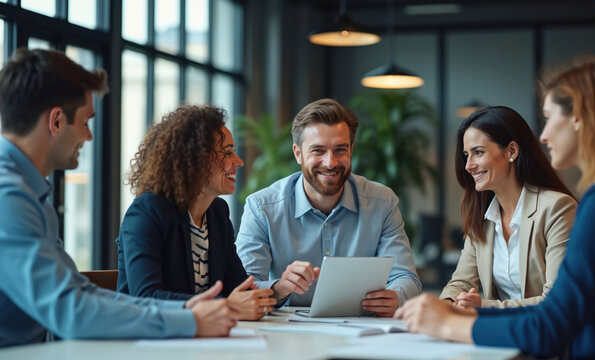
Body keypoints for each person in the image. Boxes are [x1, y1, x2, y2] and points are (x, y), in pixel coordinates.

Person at [0, 48, 239, 348]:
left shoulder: (31, 193)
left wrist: (184, 309)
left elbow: (79, 291)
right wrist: (188, 320)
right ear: (57, 121)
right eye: (86, 122)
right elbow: (69, 310)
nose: (88, 137)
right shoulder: (8, 196)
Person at [395, 57, 595, 359]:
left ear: (579, 117)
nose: (543, 135)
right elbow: (461, 283)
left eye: (548, 117)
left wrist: (451, 323)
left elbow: (553, 322)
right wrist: (449, 307)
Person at [236, 98, 421, 317]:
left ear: (351, 149)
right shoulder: (262, 207)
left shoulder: (383, 202)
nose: (330, 162)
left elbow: (406, 277)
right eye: (318, 151)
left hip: (363, 332)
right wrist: (280, 287)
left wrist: (395, 296)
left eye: (340, 149)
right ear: (298, 154)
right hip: (288, 336)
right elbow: (244, 289)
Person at [116, 104, 276, 320]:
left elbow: (237, 287)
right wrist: (228, 306)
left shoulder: (217, 212)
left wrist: (276, 290)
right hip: (147, 340)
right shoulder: (146, 212)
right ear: (195, 158)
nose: (239, 162)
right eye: (227, 152)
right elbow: (147, 298)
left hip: (200, 339)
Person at [440, 106, 576, 308]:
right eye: (466, 155)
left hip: (544, 335)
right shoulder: (481, 217)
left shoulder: (557, 208)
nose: (468, 165)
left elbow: (557, 300)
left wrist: (483, 306)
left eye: (478, 152)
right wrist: (446, 305)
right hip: (497, 335)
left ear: (511, 150)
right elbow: (461, 283)